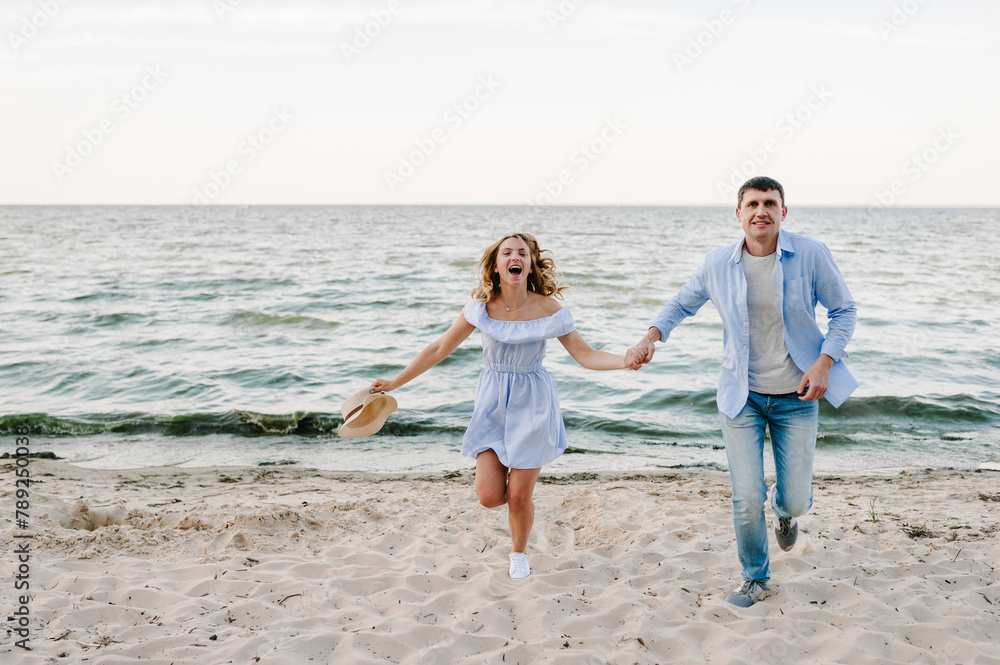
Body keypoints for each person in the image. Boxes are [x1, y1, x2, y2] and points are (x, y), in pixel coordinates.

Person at [626, 176, 857, 607]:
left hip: (798, 395)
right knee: (747, 497)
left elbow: (843, 310)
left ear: (783, 212)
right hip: (741, 397)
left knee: (795, 499)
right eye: (752, 204)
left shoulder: (810, 254)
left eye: (770, 203)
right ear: (738, 214)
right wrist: (650, 338)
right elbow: (680, 304)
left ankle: (785, 513)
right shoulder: (717, 263)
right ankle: (755, 577)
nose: (761, 211)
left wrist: (824, 362)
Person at [371, 232, 632, 580]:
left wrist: (625, 360)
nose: (515, 257)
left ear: (530, 265)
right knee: (490, 496)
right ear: (496, 266)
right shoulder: (481, 309)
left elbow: (585, 355)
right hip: (492, 405)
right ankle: (519, 515)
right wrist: (394, 382)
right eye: (507, 253)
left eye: (522, 253)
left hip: (534, 405)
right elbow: (438, 349)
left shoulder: (549, 309)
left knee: (519, 496)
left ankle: (518, 554)